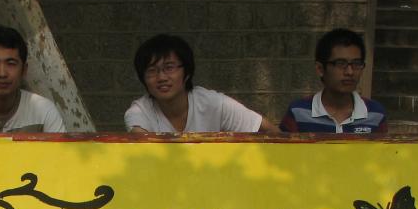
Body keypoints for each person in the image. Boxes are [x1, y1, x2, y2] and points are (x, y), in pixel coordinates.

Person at [124, 34, 280, 134]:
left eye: (169, 68)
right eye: (152, 71)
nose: (161, 77)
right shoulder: (139, 113)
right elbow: (145, 151)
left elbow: (270, 131)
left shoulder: (214, 103)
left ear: (187, 72)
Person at [280, 28, 387, 134]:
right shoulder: (299, 112)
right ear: (320, 69)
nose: (350, 72)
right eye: (341, 63)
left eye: (356, 64)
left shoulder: (375, 114)